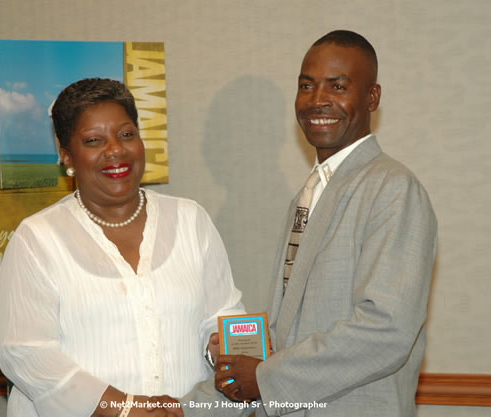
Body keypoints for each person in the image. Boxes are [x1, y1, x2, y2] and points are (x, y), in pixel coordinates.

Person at [181, 30, 438, 417]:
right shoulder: (309, 193)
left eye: (337, 86)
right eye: (306, 85)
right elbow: (291, 333)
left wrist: (265, 377)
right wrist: (189, 408)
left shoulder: (393, 188)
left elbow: (386, 330)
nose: (318, 100)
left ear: (372, 97)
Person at [0, 78, 245, 417]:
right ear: (66, 155)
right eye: (94, 141)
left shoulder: (190, 220)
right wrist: (122, 407)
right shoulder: (37, 239)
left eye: (126, 134)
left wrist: (221, 348)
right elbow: (26, 353)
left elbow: (223, 317)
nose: (115, 150)